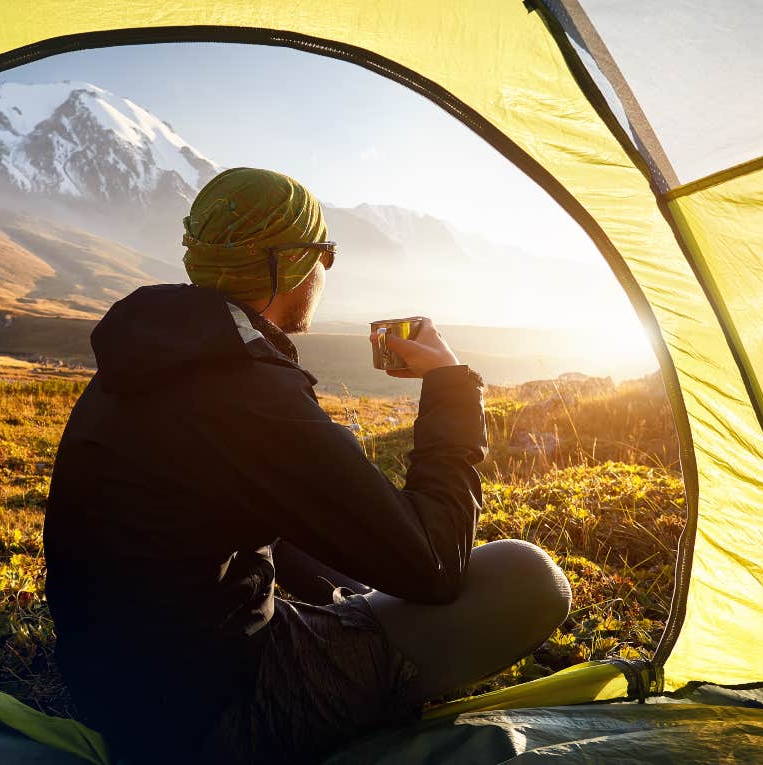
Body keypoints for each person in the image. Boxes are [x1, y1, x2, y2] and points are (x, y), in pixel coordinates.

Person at [43, 167, 571, 763]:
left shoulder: (151, 354)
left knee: (355, 570)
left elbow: (241, 510)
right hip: (216, 716)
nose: (327, 270)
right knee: (527, 578)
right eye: (328, 253)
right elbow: (434, 565)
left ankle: (354, 616)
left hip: (118, 686)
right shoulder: (245, 391)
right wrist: (450, 385)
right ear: (290, 265)